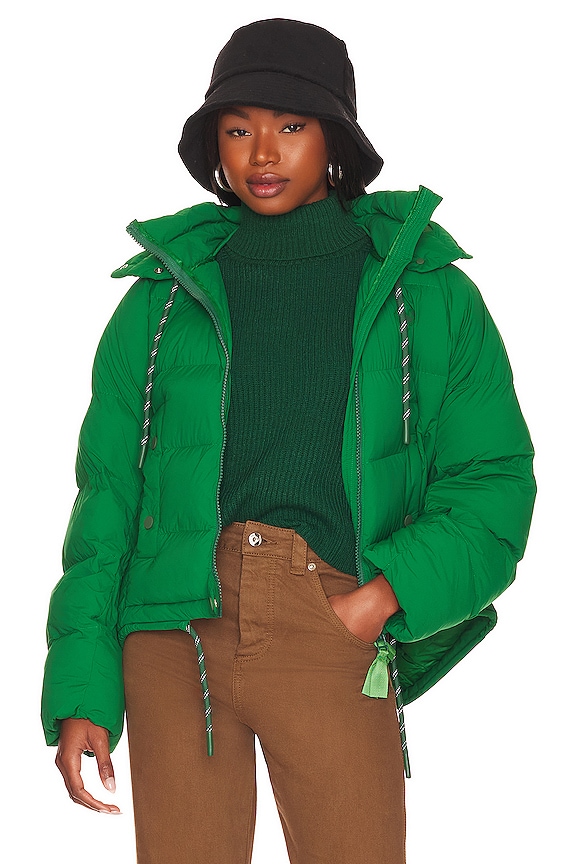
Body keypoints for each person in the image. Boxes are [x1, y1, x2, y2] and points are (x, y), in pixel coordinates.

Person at [41, 18, 536, 864]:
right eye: (238, 130)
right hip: (172, 637)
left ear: (336, 138)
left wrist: (376, 602)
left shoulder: (426, 293)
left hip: (330, 618)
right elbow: (107, 500)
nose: (262, 153)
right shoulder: (159, 301)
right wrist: (83, 688)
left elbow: (493, 482)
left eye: (291, 126)